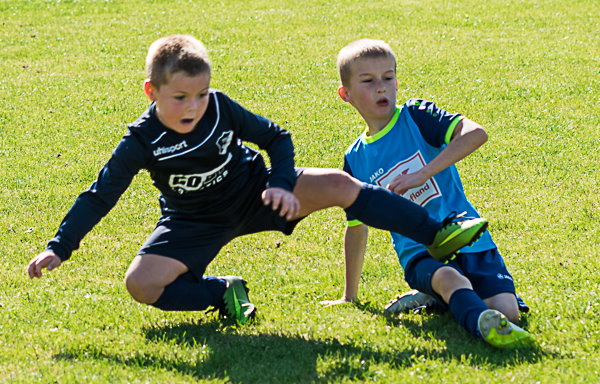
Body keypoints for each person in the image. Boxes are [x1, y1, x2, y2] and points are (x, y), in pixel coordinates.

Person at [27, 35, 487, 325]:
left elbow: (276, 137)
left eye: (201, 94)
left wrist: (282, 183)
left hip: (257, 193)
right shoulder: (141, 141)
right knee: (141, 285)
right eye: (180, 97)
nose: (193, 107)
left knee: (341, 185)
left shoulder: (222, 108)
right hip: (194, 221)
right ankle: (222, 292)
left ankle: (436, 234)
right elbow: (99, 195)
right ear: (152, 92)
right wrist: (59, 246)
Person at [326, 38, 533, 348]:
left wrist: (422, 174)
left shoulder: (417, 116)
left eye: (388, 77)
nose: (381, 87)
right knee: (450, 279)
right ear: (346, 94)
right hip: (420, 253)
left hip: (467, 235)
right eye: (368, 81)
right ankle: (481, 326)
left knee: (508, 311)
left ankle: (439, 299)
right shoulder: (355, 160)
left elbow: (476, 134)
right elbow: (356, 227)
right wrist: (349, 296)